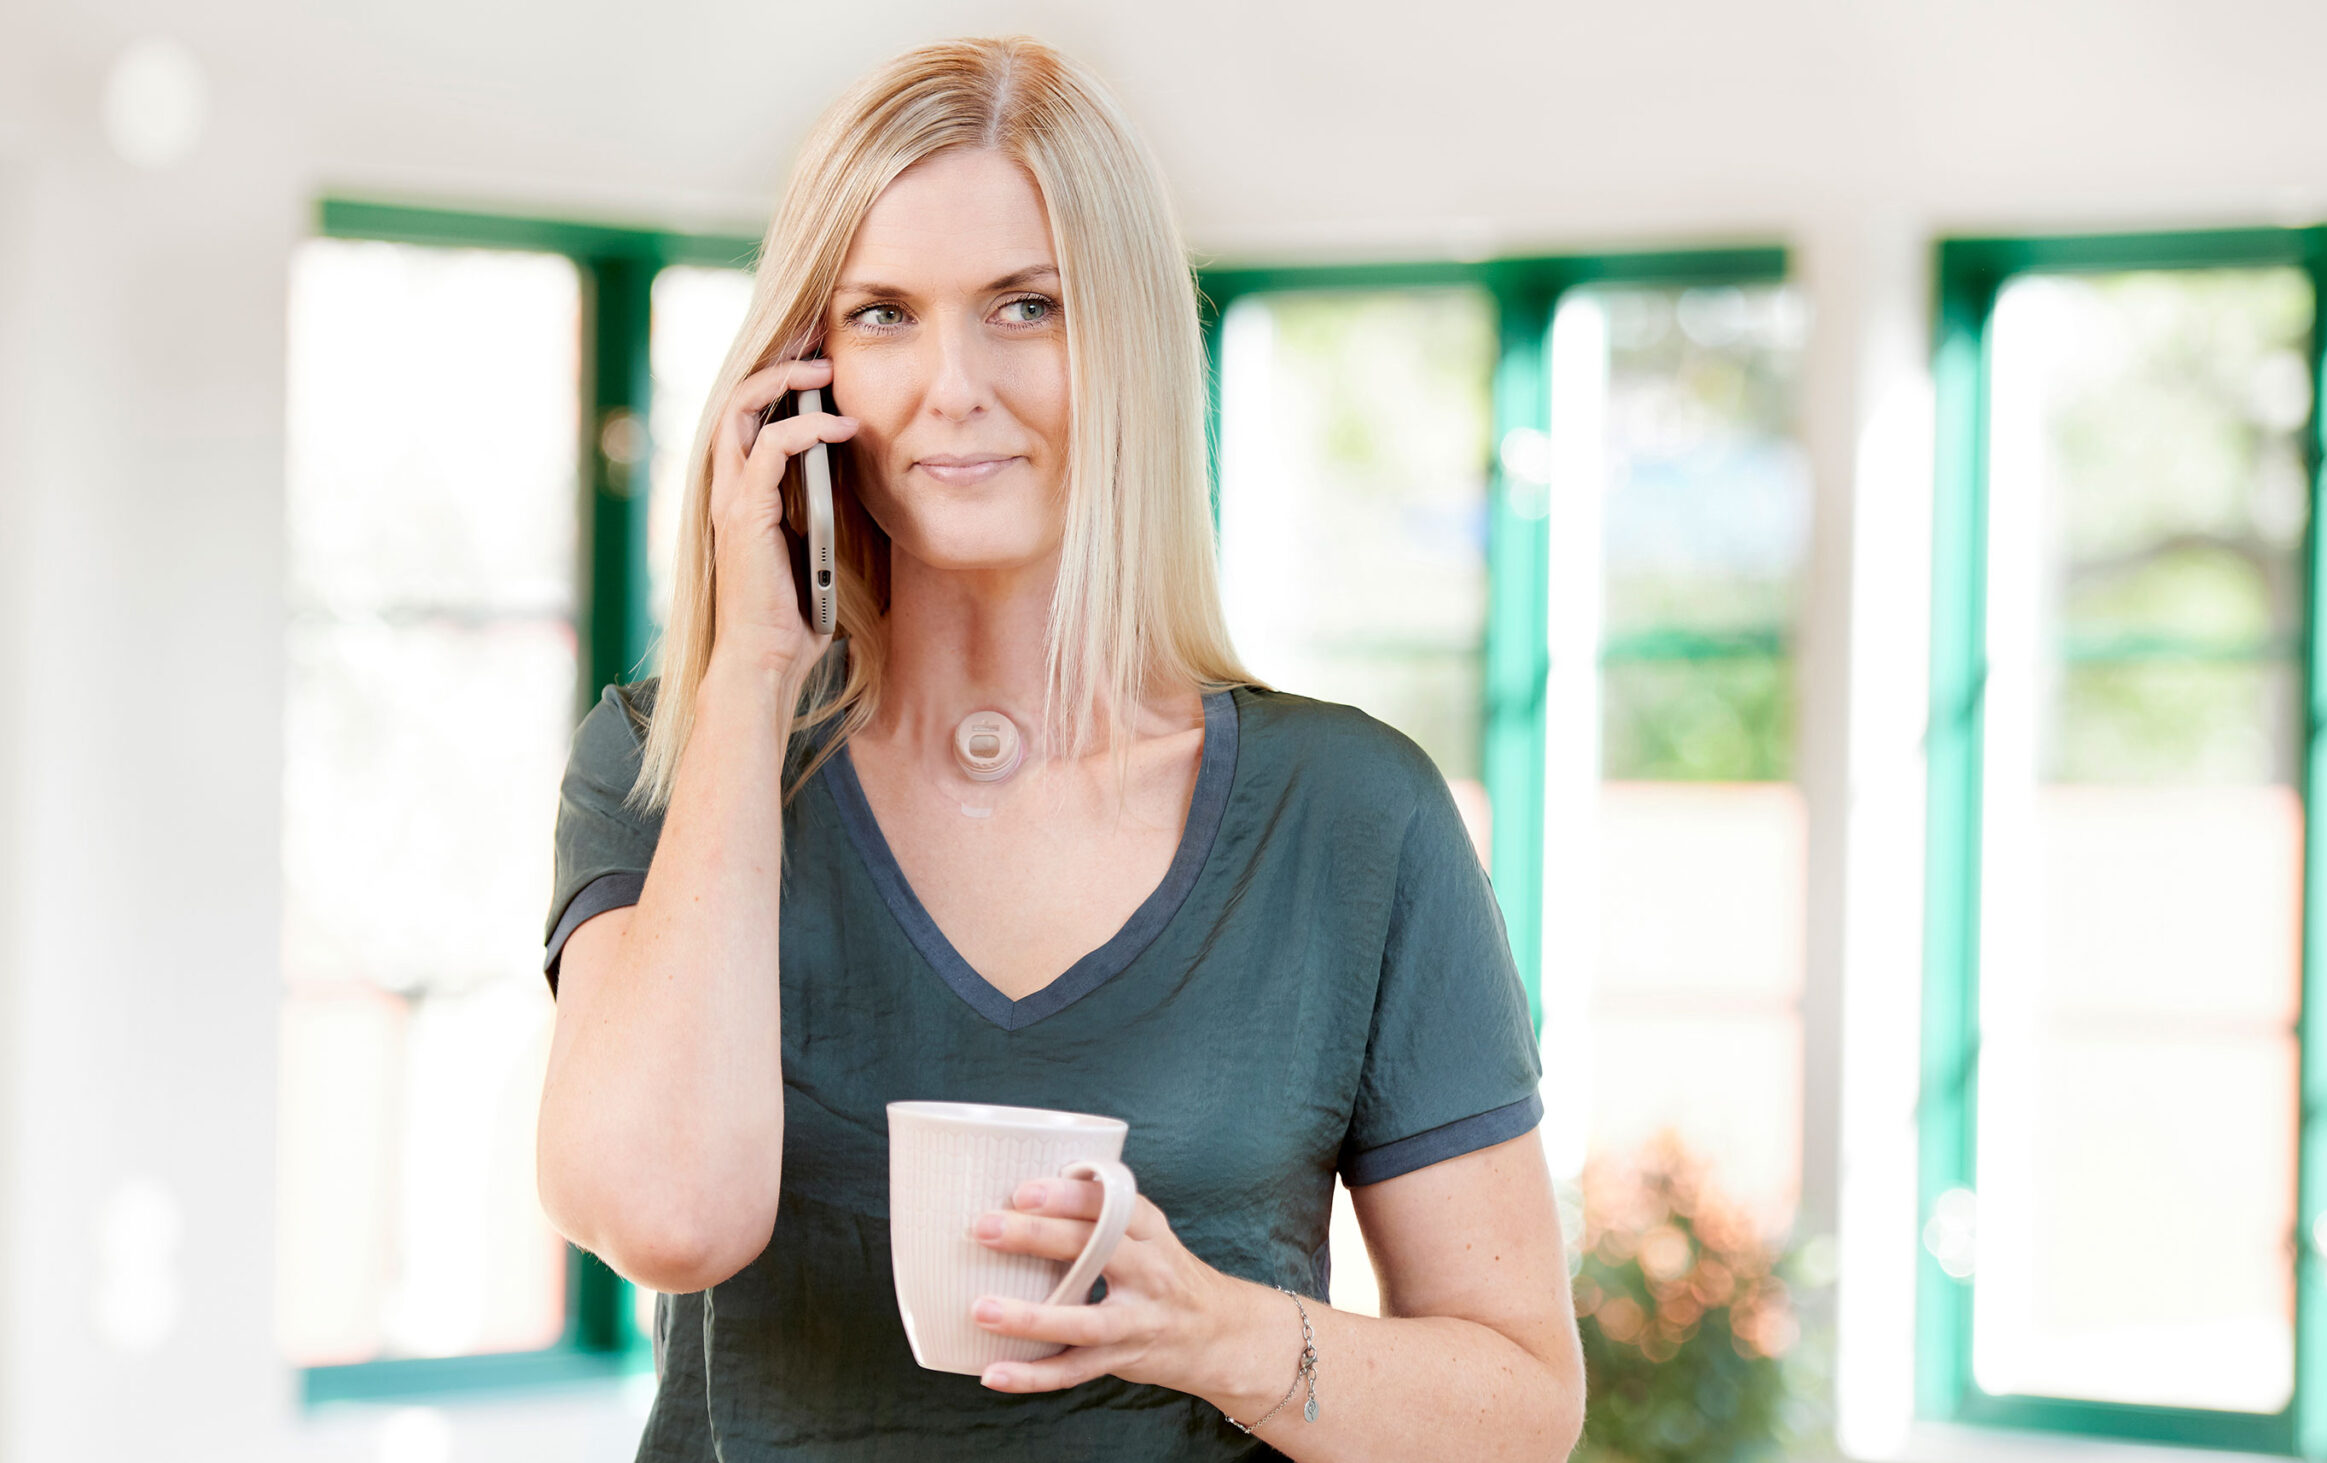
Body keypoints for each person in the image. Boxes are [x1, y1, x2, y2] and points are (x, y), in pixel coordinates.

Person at [533, 35, 1581, 1462]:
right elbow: (666, 1217)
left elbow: (1521, 1410)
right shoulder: (668, 763)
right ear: (803, 372)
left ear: (1134, 346)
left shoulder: (1350, 819)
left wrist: (1215, 1335)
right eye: (885, 315)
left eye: (1026, 307)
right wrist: (752, 675)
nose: (951, 384)